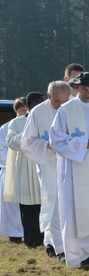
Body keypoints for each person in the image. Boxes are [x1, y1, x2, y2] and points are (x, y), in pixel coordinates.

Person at [50, 72, 89, 269]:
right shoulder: (66, 110)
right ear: (77, 88)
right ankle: (77, 255)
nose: (88, 92)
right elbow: (56, 139)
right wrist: (84, 143)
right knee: (74, 210)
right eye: (84, 89)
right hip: (75, 168)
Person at [21, 81, 70, 260]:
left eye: (65, 102)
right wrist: (47, 145)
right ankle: (60, 248)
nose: (61, 106)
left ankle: (66, 244)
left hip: (73, 164)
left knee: (71, 204)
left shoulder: (74, 107)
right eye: (57, 102)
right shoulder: (37, 113)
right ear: (49, 96)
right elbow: (26, 142)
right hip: (49, 165)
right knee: (54, 204)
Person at [5, 94, 44, 248]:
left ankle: (47, 240)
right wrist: (28, 135)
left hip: (45, 165)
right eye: (35, 104)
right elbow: (11, 142)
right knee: (28, 208)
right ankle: (31, 240)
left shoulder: (49, 119)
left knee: (46, 205)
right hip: (27, 169)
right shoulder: (18, 122)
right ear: (29, 105)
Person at [0, 98, 27, 243]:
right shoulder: (6, 128)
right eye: (22, 110)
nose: (25, 113)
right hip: (11, 170)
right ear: (16, 110)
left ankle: (29, 232)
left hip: (28, 170)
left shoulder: (30, 125)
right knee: (11, 206)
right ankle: (14, 234)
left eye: (26, 110)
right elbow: (1, 150)